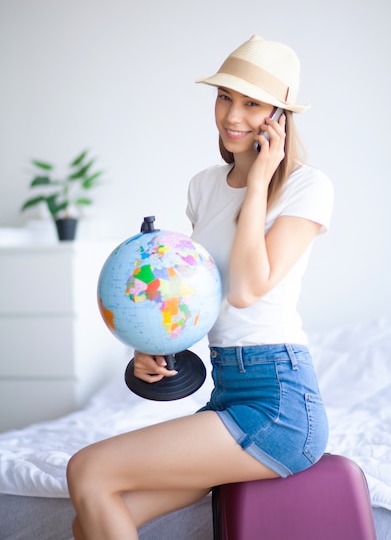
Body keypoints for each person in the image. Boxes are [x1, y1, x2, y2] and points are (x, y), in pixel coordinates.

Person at [66, 34, 334, 539]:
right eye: (224, 97)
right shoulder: (204, 186)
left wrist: (258, 183)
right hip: (227, 390)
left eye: (252, 103)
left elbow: (248, 289)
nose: (232, 116)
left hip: (280, 403)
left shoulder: (307, 186)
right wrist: (156, 348)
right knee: (91, 512)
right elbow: (204, 292)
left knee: (87, 470)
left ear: (279, 116)